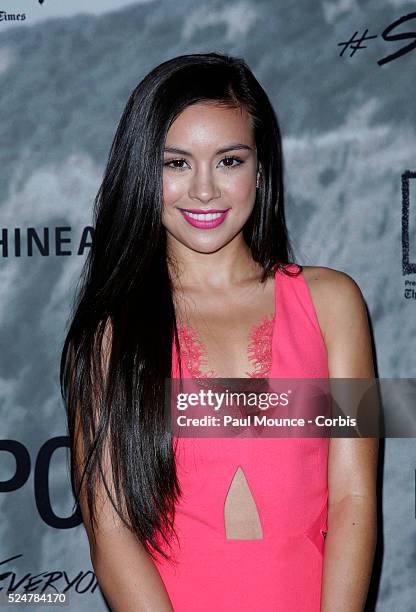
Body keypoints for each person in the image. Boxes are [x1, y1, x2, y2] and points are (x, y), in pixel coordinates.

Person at [60, 52, 378, 611]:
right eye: (176, 163)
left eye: (228, 160)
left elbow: (353, 499)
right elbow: (110, 533)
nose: (204, 191)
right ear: (142, 170)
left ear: (260, 168)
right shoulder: (109, 335)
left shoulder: (333, 304)